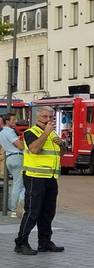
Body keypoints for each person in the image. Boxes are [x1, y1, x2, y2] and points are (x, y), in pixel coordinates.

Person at [14, 107, 65, 255]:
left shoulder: (53, 133)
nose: (48, 120)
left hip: (50, 177)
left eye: (51, 117)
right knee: (32, 211)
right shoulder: (31, 132)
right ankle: (21, 243)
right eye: (44, 117)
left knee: (48, 212)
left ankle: (45, 242)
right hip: (34, 177)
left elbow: (60, 154)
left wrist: (62, 145)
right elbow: (34, 149)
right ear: (37, 117)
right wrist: (46, 133)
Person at [0, 115, 24, 218]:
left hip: (9, 158)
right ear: (7, 121)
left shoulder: (1, 133)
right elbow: (20, 146)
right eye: (13, 120)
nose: (15, 121)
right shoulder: (9, 132)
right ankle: (15, 209)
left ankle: (14, 207)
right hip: (17, 157)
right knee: (19, 184)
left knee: (16, 183)